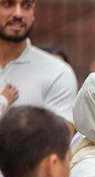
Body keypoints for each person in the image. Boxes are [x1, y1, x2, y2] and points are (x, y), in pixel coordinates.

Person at [0, 0, 77, 134]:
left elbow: (56, 144)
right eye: (8, 4)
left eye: (26, 5)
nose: (18, 14)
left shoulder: (58, 73)